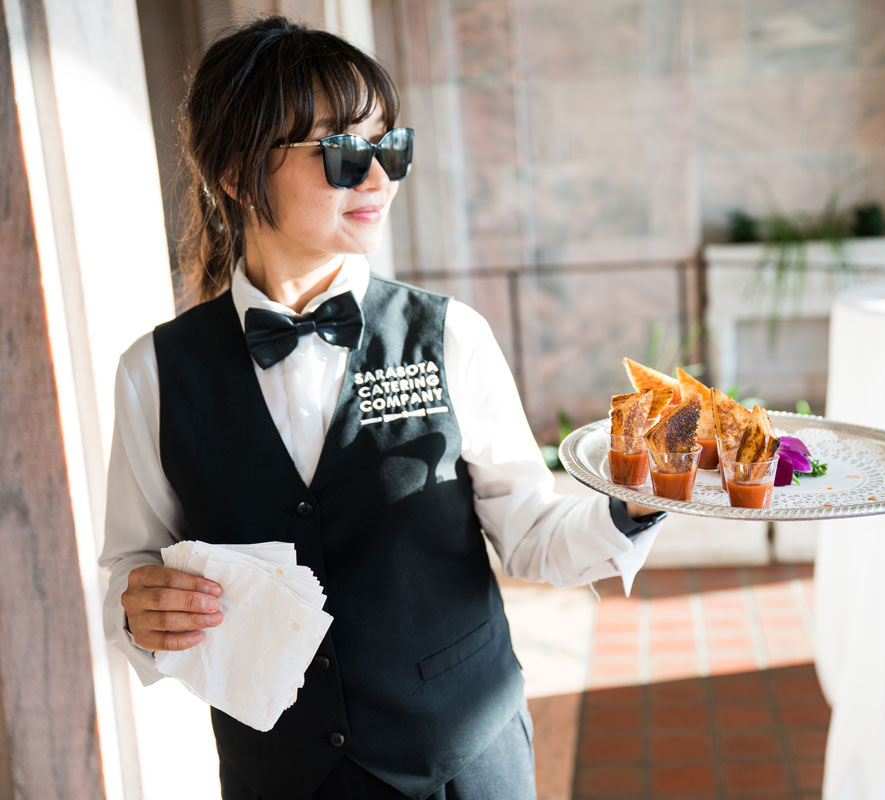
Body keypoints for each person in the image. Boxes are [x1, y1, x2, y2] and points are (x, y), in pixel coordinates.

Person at [99, 16, 664, 800]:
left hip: (464, 759)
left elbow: (533, 534)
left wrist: (641, 499)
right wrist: (138, 611)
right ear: (237, 173)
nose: (377, 179)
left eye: (389, 147)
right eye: (341, 153)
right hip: (282, 776)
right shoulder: (154, 374)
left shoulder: (450, 335)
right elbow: (130, 567)